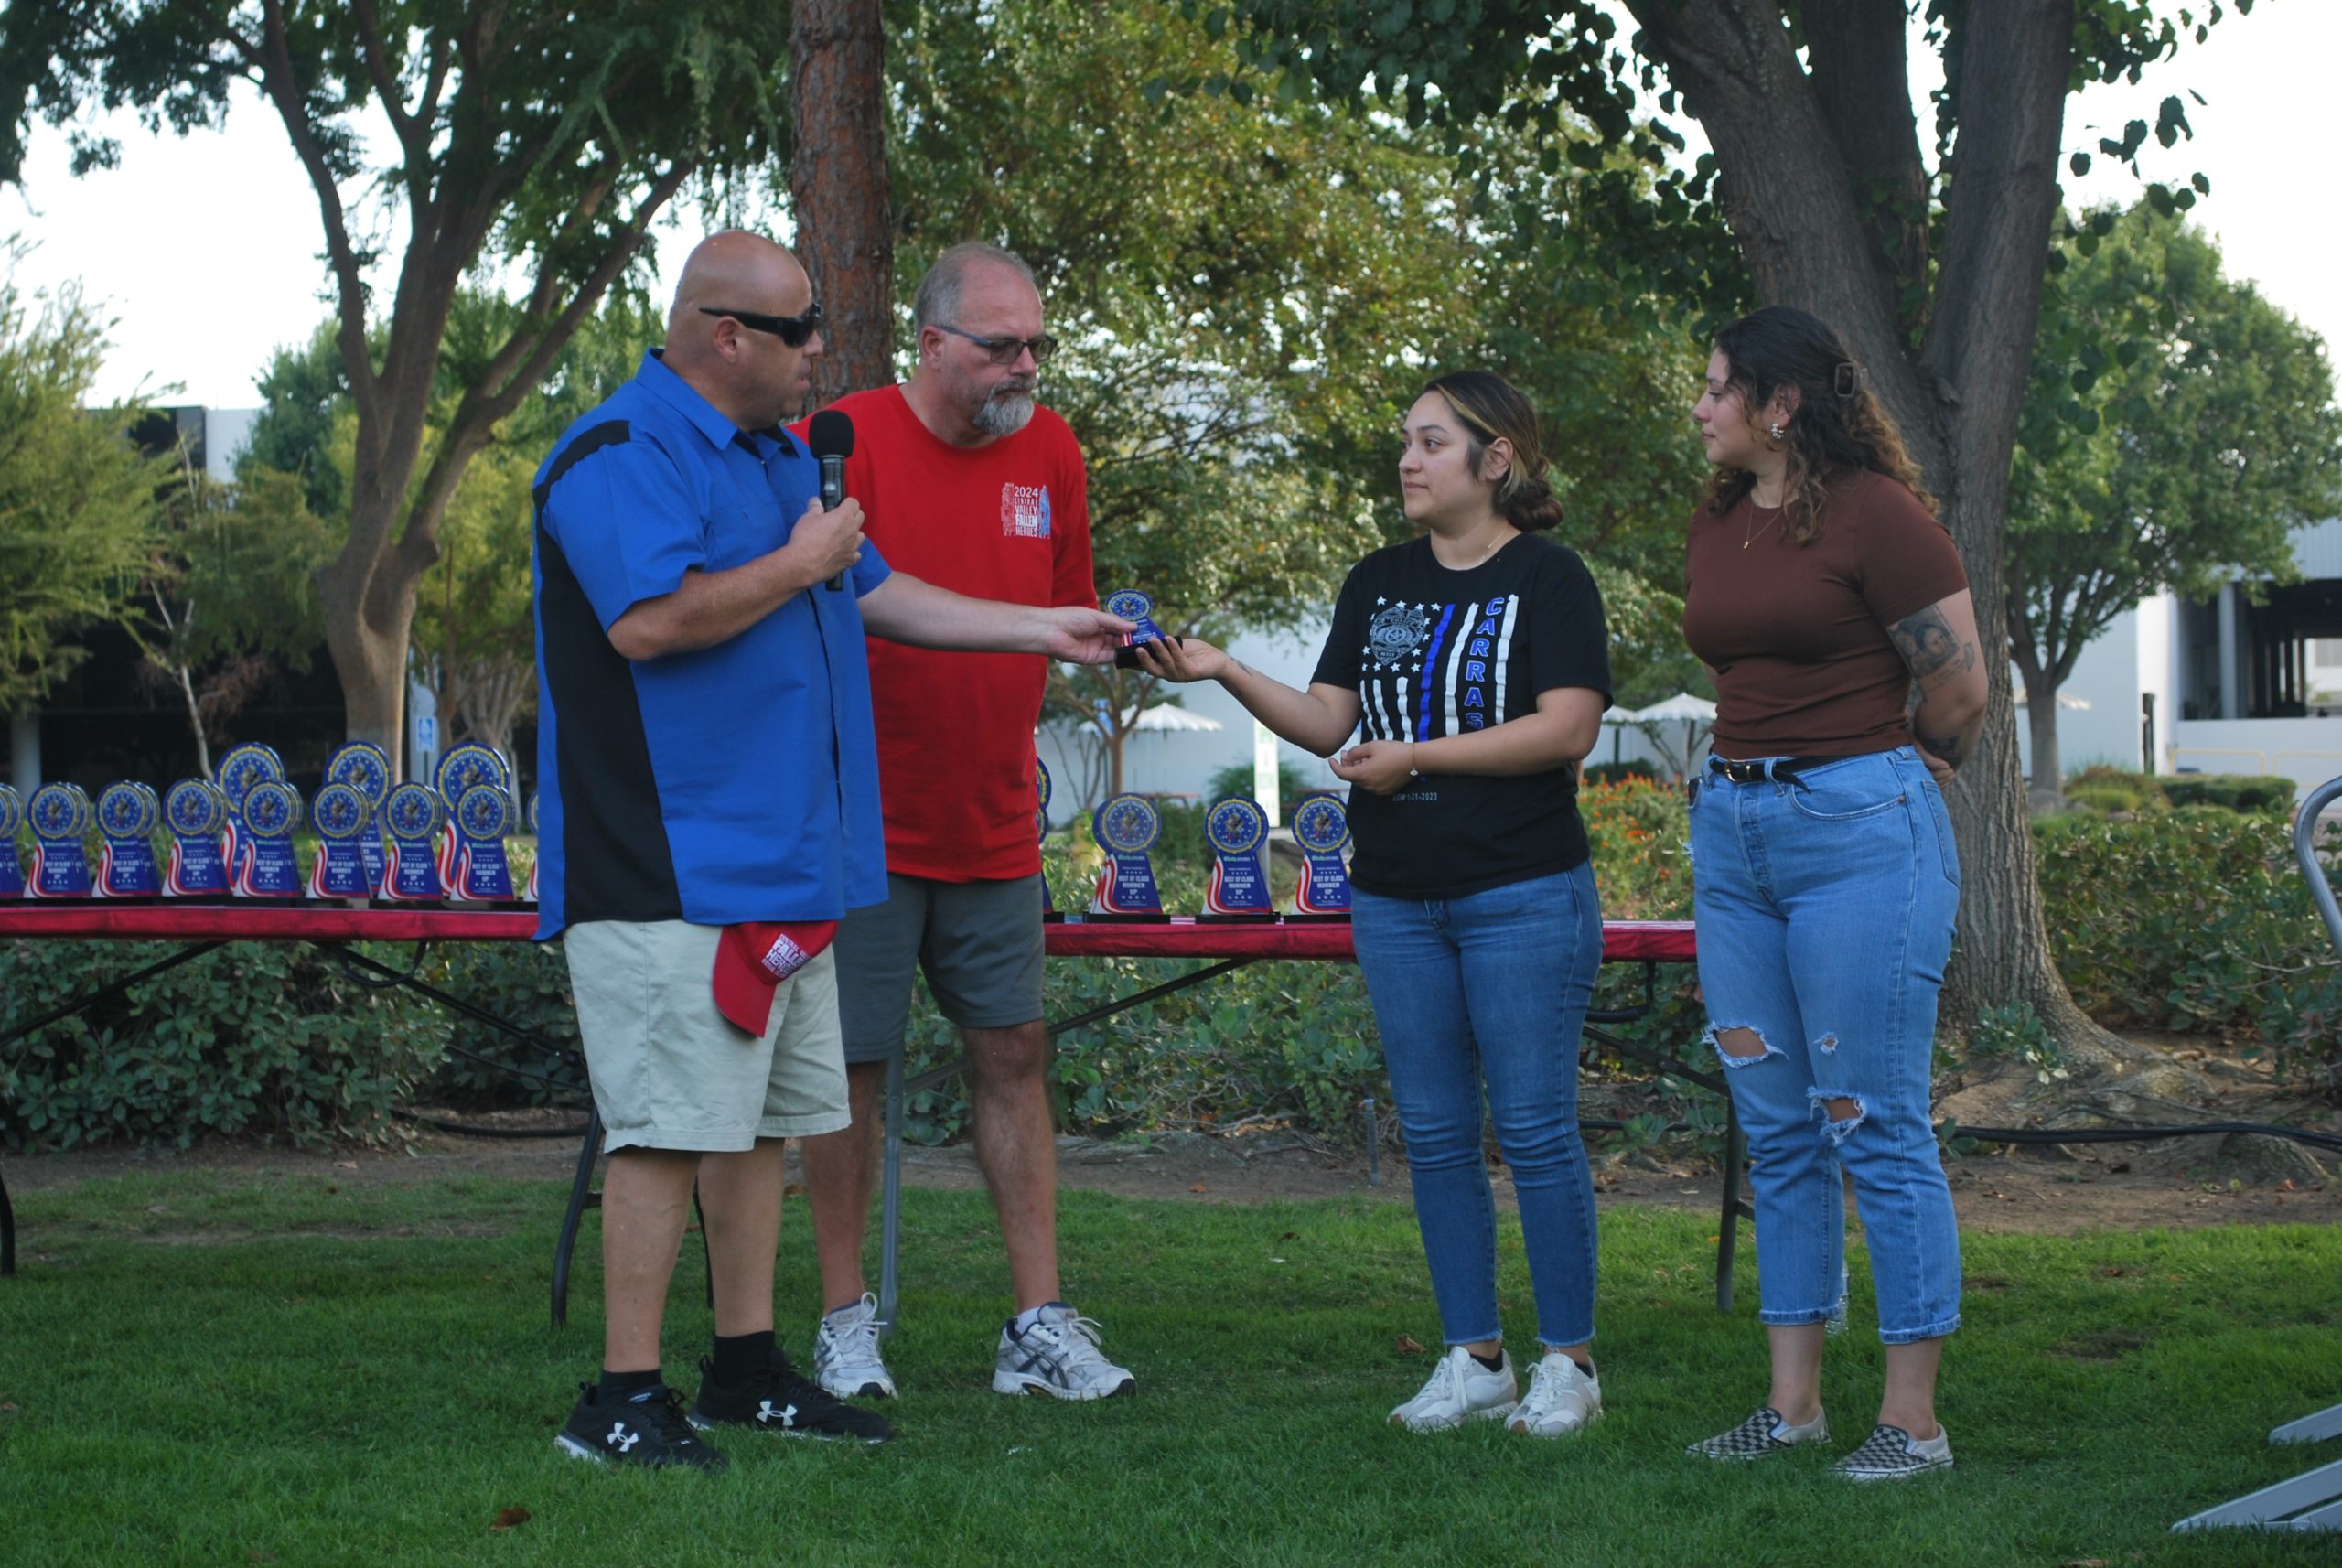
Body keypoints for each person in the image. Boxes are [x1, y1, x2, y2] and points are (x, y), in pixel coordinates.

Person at [531, 231, 1127, 1470]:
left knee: (757, 1126)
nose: (819, 351)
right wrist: (793, 561)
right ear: (723, 335)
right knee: (662, 1129)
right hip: (663, 861)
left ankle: (746, 1367)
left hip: (786, 859)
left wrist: (1045, 626)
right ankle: (619, 1397)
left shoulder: (779, 460)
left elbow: (880, 591)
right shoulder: (614, 453)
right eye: (799, 330)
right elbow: (645, 624)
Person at [1137, 371, 1614, 1437]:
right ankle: (1474, 1357)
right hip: (1396, 900)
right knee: (1438, 1134)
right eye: (1404, 439)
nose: (1407, 459)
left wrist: (1416, 758)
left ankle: (1569, 1365)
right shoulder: (1378, 581)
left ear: (1496, 462)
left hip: (1523, 892)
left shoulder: (1550, 578)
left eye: (1432, 442)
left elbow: (1566, 727)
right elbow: (1323, 722)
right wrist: (1222, 670)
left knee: (1534, 1132)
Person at [793, 242, 1133, 1402]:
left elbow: (1063, 611)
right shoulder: (839, 441)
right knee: (848, 1071)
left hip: (993, 815)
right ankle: (846, 1322)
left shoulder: (1052, 447)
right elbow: (833, 606)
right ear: (930, 343)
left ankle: (1036, 1323)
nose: (1023, 366)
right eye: (999, 346)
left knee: (1014, 1053)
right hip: (860, 823)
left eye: (1035, 343)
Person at [1678, 305, 1987, 1481]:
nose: (1701, 406)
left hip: (1859, 832)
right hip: (1736, 830)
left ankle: (1912, 1423)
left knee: (1872, 1119)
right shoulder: (1719, 519)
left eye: (1717, 387)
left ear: (1781, 403)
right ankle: (1792, 1407)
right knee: (1775, 1124)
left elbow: (1958, 687)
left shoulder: (1879, 515)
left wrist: (1895, 757)